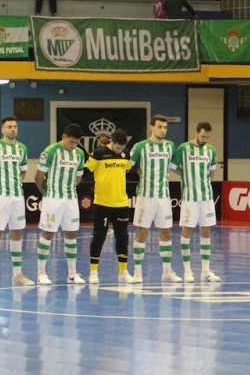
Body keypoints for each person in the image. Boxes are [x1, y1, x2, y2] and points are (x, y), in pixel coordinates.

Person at [0, 117, 34, 287]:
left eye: (15, 126)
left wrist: (15, 187)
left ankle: (17, 274)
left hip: (17, 197)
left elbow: (23, 173)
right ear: (2, 130)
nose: (13, 129)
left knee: (17, 233)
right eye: (9, 127)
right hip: (0, 197)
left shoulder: (22, 148)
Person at [35, 123, 87, 285]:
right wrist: (47, 193)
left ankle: (72, 274)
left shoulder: (79, 154)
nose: (73, 146)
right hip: (53, 198)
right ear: (63, 137)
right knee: (48, 233)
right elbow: (38, 177)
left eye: (76, 143)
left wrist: (69, 189)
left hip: (70, 199)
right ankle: (41, 273)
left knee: (71, 234)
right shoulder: (50, 151)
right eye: (71, 142)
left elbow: (79, 177)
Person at [129, 115, 179, 283]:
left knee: (166, 232)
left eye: (165, 127)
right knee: (142, 231)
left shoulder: (170, 146)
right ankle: (137, 272)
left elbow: (174, 167)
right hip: (145, 196)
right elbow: (130, 166)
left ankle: (167, 271)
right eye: (159, 127)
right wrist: (141, 174)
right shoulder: (140, 146)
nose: (162, 130)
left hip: (163, 196)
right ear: (151, 127)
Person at [171, 122, 221, 283]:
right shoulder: (183, 148)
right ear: (196, 133)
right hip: (190, 198)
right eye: (202, 136)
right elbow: (173, 166)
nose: (204, 139)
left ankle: (206, 270)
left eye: (207, 137)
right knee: (187, 231)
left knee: (206, 231)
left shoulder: (211, 150)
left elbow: (212, 170)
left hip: (206, 197)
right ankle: (187, 271)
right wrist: (184, 174)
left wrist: (205, 183)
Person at [84, 129, 133, 284]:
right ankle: (93, 271)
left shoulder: (126, 154)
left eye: (122, 148)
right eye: (117, 148)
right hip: (102, 203)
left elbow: (128, 170)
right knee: (99, 236)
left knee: (123, 237)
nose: (119, 151)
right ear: (112, 142)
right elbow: (87, 170)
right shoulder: (98, 153)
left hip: (121, 203)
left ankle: (123, 271)